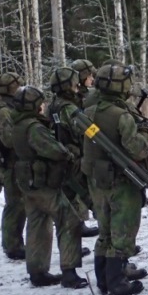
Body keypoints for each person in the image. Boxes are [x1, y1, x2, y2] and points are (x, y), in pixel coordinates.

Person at [82, 64, 148, 295]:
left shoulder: (89, 111)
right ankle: (117, 283)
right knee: (122, 230)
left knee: (105, 231)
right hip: (121, 180)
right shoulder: (120, 115)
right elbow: (139, 150)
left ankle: (103, 281)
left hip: (96, 179)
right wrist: (145, 133)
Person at [12, 85, 87, 289]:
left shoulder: (17, 124)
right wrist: (68, 154)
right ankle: (69, 272)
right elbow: (54, 150)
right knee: (69, 220)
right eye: (41, 103)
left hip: (28, 183)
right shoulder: (34, 127)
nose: (44, 106)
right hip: (44, 183)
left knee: (37, 224)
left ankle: (37, 272)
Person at [47, 67, 99, 240]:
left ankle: (72, 245)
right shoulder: (69, 108)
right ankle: (112, 239)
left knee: (69, 203)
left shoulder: (53, 105)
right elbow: (90, 131)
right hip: (75, 160)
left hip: (62, 159)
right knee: (95, 200)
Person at [0, 72, 27, 260]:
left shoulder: (10, 108)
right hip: (10, 165)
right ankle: (12, 245)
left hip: (16, 164)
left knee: (20, 205)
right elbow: (9, 139)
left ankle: (15, 243)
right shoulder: (2, 111)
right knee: (15, 205)